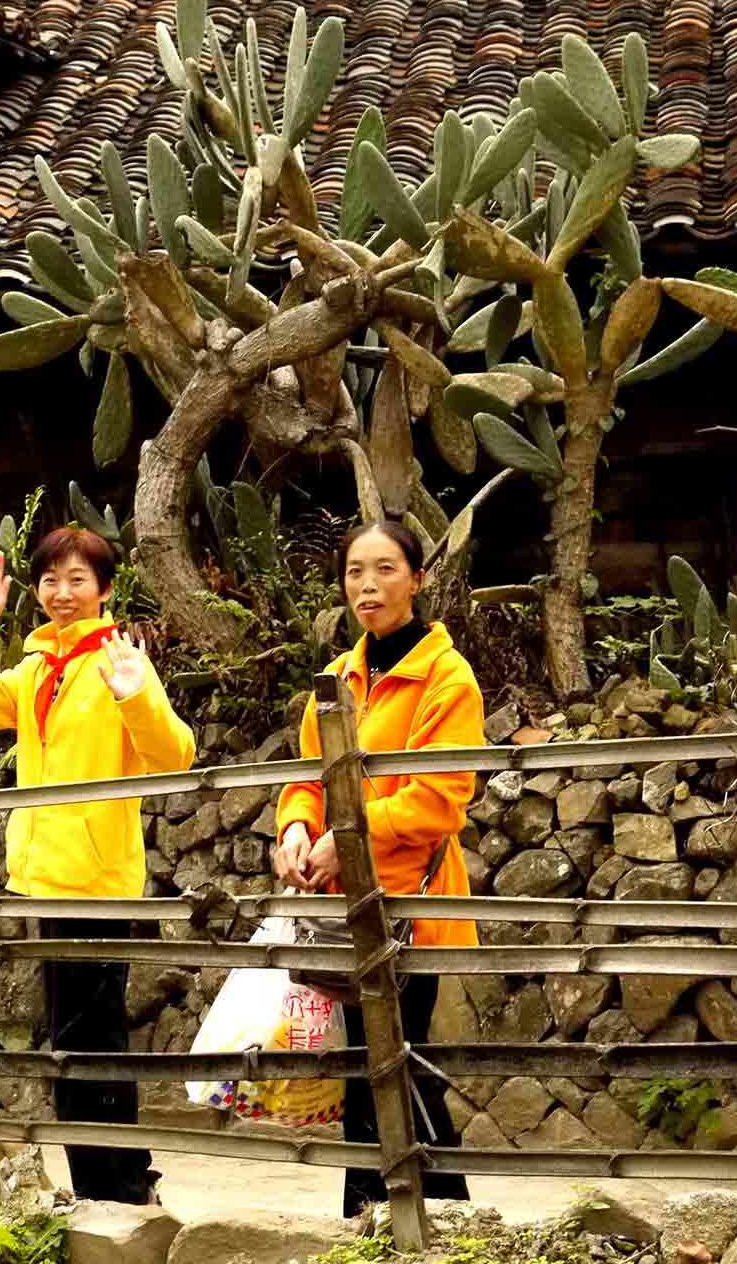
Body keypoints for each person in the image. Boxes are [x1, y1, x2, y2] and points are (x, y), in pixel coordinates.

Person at [0, 527, 194, 1204]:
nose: (63, 592)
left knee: (93, 1036)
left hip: (96, 880)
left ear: (105, 589)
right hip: (45, 880)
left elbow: (174, 755)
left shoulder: (118, 659)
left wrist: (135, 696)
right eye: (51, 580)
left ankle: (119, 1187)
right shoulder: (36, 668)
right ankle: (106, 1182)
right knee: (73, 1036)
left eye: (78, 579)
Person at [273, 520, 478, 1219]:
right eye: (355, 571)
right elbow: (308, 777)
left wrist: (351, 835)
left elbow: (441, 796)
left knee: (400, 1061)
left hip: (412, 905)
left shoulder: (447, 677)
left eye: (385, 569)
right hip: (346, 905)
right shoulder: (336, 678)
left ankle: (435, 1218)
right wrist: (297, 829)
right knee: (367, 1066)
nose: (368, 585)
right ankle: (384, 1219)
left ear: (416, 580)